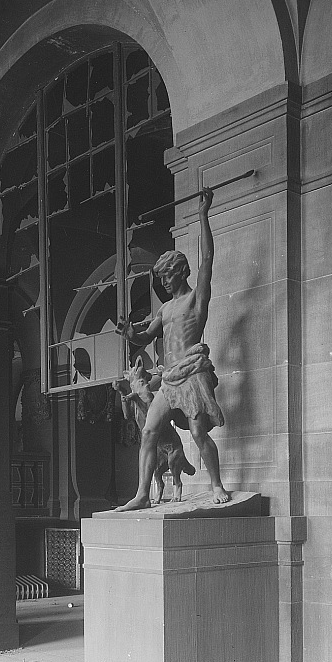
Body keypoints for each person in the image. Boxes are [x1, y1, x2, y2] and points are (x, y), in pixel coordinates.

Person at [115, 187, 230, 510]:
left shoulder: (196, 300)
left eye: (167, 275)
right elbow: (145, 338)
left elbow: (207, 259)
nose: (163, 282)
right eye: (161, 277)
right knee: (150, 431)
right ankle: (142, 494)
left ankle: (217, 484)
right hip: (169, 377)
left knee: (197, 432)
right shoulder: (164, 310)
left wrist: (203, 215)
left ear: (181, 272)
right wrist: (129, 334)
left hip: (193, 372)